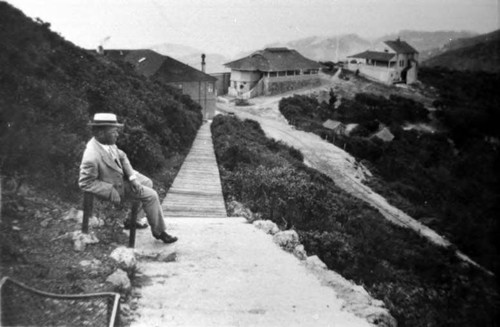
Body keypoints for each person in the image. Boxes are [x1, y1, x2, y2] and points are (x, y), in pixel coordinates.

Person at [79, 113, 177, 244]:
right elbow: (85, 183)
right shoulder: (92, 155)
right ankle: (160, 232)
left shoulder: (106, 143)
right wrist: (110, 190)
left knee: (147, 182)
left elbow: (122, 156)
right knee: (151, 195)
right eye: (114, 132)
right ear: (101, 132)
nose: (117, 135)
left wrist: (132, 178)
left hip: (120, 178)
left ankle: (133, 221)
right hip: (112, 186)